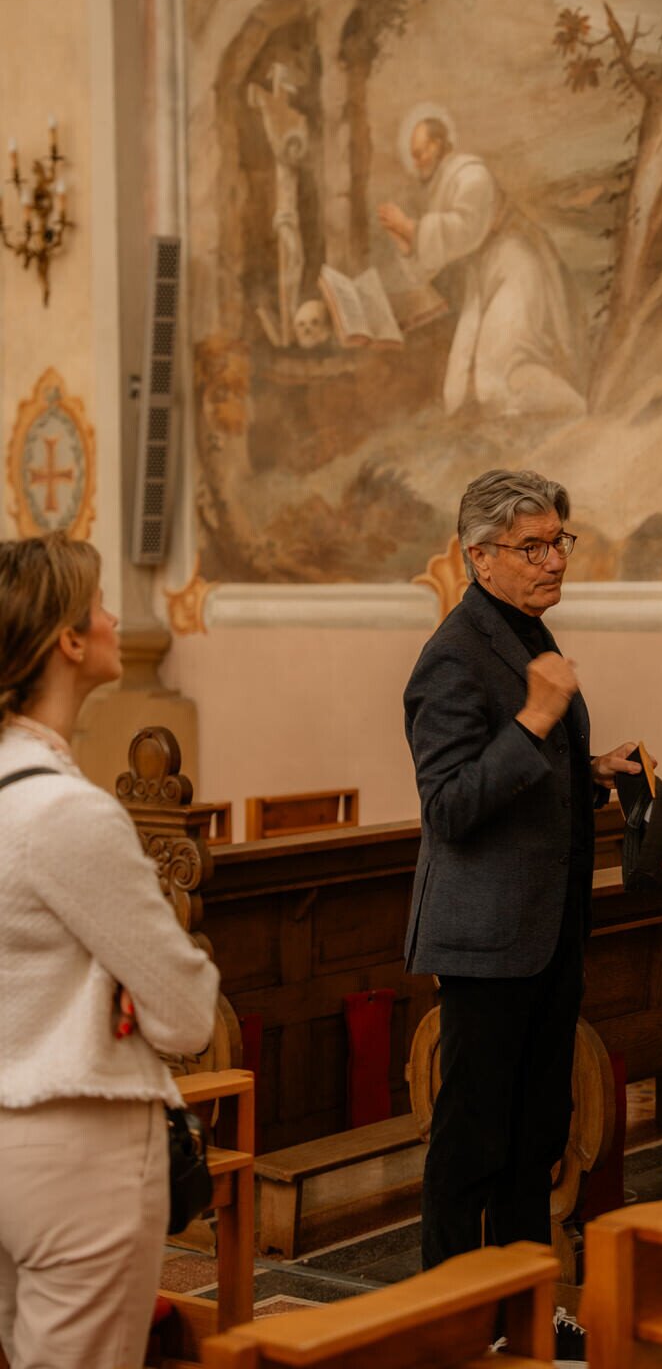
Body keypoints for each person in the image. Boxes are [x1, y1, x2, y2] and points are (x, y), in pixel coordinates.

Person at [404, 468, 646, 1269]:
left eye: (557, 542)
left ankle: (524, 1307)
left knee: (535, 1134)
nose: (555, 561)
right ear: (478, 555)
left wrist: (591, 770)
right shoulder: (452, 657)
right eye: (532, 547)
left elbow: (522, 771)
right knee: (473, 1142)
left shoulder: (527, 634)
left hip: (547, 926)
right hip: (486, 938)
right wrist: (537, 718)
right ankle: (448, 1311)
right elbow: (448, 806)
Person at [0, 533, 220, 1369]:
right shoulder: (68, 813)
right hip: (75, 1150)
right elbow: (187, 1013)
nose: (115, 621)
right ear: (66, 640)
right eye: (99, 606)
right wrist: (121, 983)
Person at [377, 112, 587, 420]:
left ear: (438, 145)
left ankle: (576, 410)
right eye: (414, 156)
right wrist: (407, 245)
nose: (417, 162)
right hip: (484, 277)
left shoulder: (471, 174)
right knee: (458, 387)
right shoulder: (441, 188)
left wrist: (411, 228)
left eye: (421, 153)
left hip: (516, 267)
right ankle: (512, 422)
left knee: (502, 366)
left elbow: (466, 230)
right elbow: (434, 260)